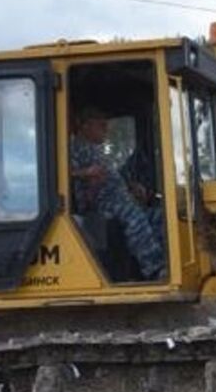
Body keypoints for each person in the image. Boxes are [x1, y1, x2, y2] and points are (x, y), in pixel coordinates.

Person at [70, 108, 166, 280]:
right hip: (101, 202)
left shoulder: (97, 150)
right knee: (134, 217)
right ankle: (154, 269)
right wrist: (86, 173)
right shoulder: (73, 149)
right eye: (101, 125)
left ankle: (166, 263)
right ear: (85, 126)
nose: (106, 130)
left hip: (119, 198)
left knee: (160, 217)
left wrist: (130, 186)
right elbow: (63, 175)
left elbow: (112, 175)